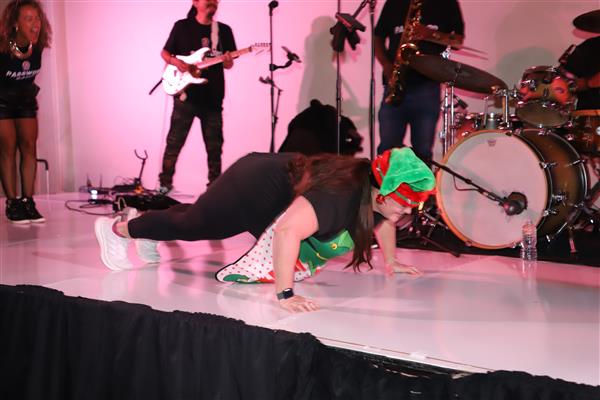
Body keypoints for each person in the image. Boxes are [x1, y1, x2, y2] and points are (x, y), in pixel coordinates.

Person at [94, 148, 436, 313]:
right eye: (405, 203)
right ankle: (118, 230)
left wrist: (391, 261)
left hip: (278, 188)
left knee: (198, 217)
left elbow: (383, 221)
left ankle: (147, 227)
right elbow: (287, 232)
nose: (407, 212)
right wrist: (286, 294)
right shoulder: (339, 196)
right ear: (382, 192)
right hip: (256, 184)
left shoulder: (372, 193)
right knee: (196, 225)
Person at [158, 0, 236, 193]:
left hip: (213, 98)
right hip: (186, 96)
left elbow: (228, 64)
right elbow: (165, 52)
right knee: (174, 144)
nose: (213, 2)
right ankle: (164, 187)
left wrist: (227, 61)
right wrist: (175, 61)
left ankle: (214, 191)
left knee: (214, 148)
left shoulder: (223, 31)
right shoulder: (182, 27)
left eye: (215, 0)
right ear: (195, 2)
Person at [374, 0, 464, 163]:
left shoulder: (447, 3)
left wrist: (430, 34)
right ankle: (387, 180)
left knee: (422, 152)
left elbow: (458, 40)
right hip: (395, 84)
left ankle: (421, 181)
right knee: (387, 151)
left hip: (427, 87)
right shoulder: (393, 2)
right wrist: (386, 64)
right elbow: (378, 36)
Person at [0, 0, 51, 224]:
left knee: (29, 147)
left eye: (37, 18)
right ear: (16, 24)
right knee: (8, 149)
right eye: (29, 19)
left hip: (25, 100)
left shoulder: (37, 46)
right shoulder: (2, 46)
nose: (35, 24)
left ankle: (28, 202)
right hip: (1, 101)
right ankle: (12, 204)